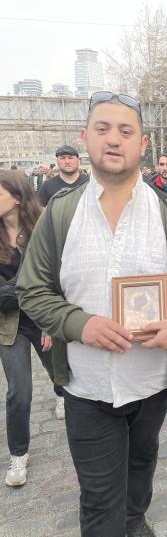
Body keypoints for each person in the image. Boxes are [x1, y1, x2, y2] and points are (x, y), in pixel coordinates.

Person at [16, 91, 167, 537]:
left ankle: (136, 525)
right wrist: (79, 324)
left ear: (143, 144)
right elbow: (32, 290)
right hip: (87, 388)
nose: (114, 140)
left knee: (139, 482)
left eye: (126, 131)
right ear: (85, 138)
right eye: (102, 129)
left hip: (152, 385)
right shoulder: (59, 216)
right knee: (100, 505)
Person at [0, 171, 61, 486]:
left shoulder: (40, 229)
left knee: (61, 375)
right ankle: (19, 456)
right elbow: (26, 283)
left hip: (41, 317)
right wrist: (20, 288)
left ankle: (60, 394)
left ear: (18, 197)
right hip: (8, 325)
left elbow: (50, 277)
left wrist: (50, 319)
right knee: (18, 392)